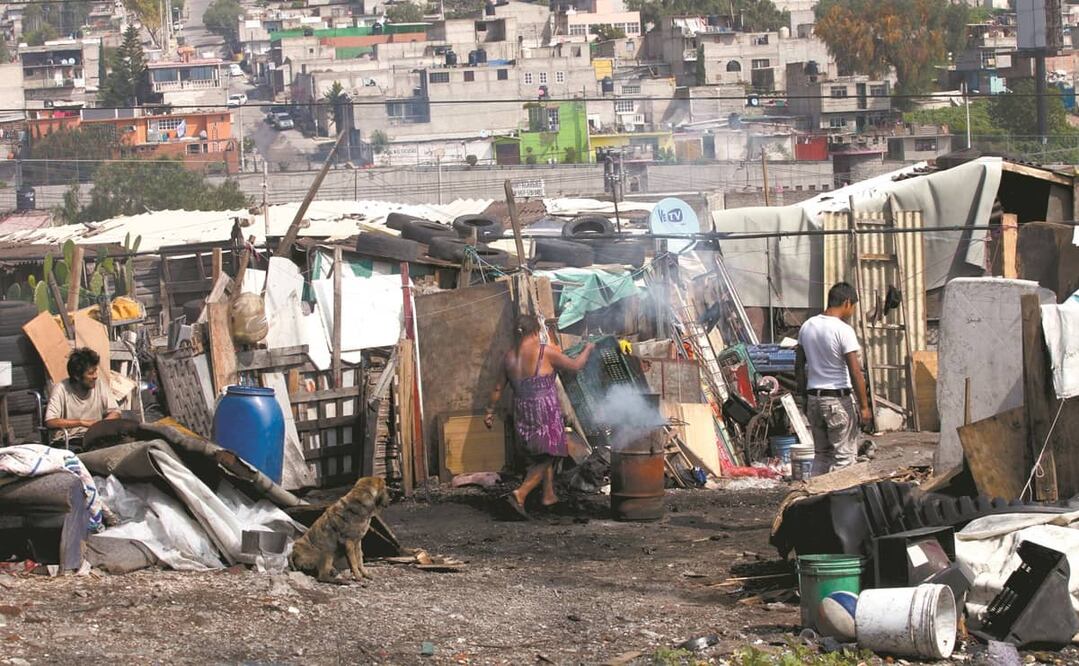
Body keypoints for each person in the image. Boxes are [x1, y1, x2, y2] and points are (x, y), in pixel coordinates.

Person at [485, 314, 593, 519]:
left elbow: (498, 388)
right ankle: (520, 494)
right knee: (551, 452)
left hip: (522, 410)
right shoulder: (545, 353)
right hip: (544, 410)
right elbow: (576, 366)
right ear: (536, 331)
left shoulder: (509, 357)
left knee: (541, 453)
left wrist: (489, 412)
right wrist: (588, 348)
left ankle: (548, 495)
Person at [796, 282, 872, 474]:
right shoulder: (843, 330)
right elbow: (855, 371)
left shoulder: (807, 326)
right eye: (853, 306)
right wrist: (864, 407)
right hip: (837, 400)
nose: (853, 310)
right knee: (844, 458)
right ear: (847, 303)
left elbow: (798, 366)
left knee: (821, 455)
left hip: (814, 398)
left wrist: (804, 398)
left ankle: (814, 499)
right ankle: (840, 502)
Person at [45, 347, 121, 449]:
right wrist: (81, 422)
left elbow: (115, 412)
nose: (95, 376)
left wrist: (100, 426)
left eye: (95, 371)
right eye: (90, 373)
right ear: (77, 376)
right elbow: (50, 421)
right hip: (69, 441)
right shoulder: (61, 389)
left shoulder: (99, 385)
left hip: (94, 438)